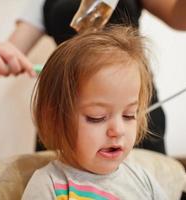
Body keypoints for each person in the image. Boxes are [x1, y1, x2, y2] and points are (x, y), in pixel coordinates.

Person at [0, 0, 186, 154]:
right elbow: (10, 52)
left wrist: (129, 115)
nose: (116, 131)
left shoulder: (127, 124)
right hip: (70, 117)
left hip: (140, 113)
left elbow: (184, 19)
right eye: (97, 116)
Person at [22, 25, 166, 199]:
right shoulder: (49, 185)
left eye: (129, 115)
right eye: (96, 117)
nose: (118, 130)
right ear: (55, 119)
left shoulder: (141, 179)